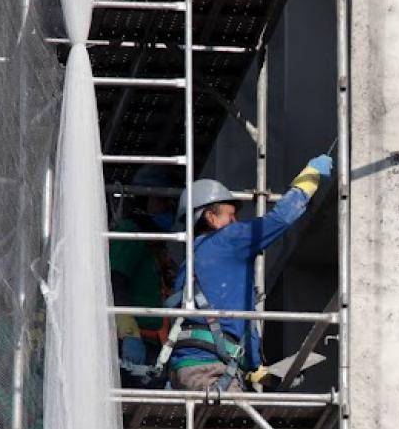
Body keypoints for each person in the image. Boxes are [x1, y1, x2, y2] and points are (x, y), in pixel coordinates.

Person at [165, 153, 334, 392]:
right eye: (230, 216)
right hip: (209, 371)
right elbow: (281, 218)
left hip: (194, 368)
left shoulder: (192, 261)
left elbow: (225, 323)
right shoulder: (228, 239)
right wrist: (309, 178)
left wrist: (257, 372)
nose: (236, 223)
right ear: (211, 218)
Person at [111, 165, 182, 388]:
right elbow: (115, 281)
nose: (168, 207)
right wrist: (129, 333)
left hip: (158, 344)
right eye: (161, 200)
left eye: (170, 201)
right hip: (136, 341)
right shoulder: (130, 233)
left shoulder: (155, 246)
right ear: (143, 201)